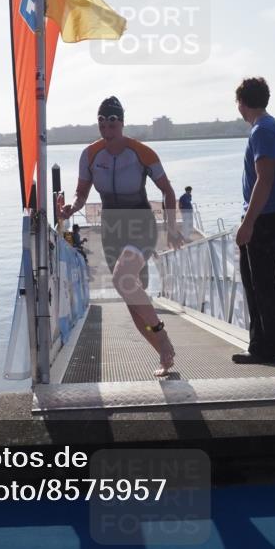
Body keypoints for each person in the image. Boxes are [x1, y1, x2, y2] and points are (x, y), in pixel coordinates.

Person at [58, 96, 185, 377]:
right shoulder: (90, 155)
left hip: (140, 224)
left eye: (113, 122)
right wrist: (72, 208)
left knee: (121, 278)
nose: (107, 128)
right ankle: (164, 354)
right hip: (112, 228)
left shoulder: (141, 152)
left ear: (122, 123)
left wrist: (173, 227)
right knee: (134, 305)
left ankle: (162, 336)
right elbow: (82, 194)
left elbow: (168, 191)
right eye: (102, 122)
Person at [232, 77, 275, 364]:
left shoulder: (262, 131)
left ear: (242, 103)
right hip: (268, 215)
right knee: (258, 282)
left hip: (266, 218)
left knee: (261, 284)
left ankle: (267, 349)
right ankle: (262, 344)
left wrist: (248, 223)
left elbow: (264, 180)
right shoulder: (269, 127)